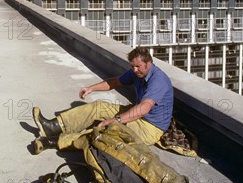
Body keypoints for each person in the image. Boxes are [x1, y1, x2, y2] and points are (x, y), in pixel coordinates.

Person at [32, 46, 174, 153]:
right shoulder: (137, 73)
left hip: (150, 128)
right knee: (98, 107)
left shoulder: (158, 80)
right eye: (132, 66)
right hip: (138, 114)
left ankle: (52, 142)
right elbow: (115, 82)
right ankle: (52, 127)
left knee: (105, 128)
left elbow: (143, 109)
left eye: (138, 66)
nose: (135, 70)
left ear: (149, 63)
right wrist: (91, 88)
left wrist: (115, 120)